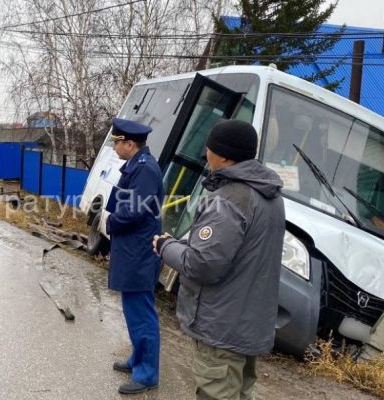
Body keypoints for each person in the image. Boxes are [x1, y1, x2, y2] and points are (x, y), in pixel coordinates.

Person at [153, 120, 285, 400]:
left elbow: (201, 264)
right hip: (247, 324)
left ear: (224, 155)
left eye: (209, 148)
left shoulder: (227, 200)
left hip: (222, 327)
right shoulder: (269, 195)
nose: (205, 154)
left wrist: (166, 246)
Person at [105, 117, 164, 395]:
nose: (115, 147)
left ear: (130, 143)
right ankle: (137, 358)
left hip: (139, 251)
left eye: (117, 142)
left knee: (141, 313)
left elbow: (134, 210)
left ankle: (147, 373)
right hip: (131, 249)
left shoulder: (145, 169)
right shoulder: (134, 166)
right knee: (133, 310)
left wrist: (111, 223)